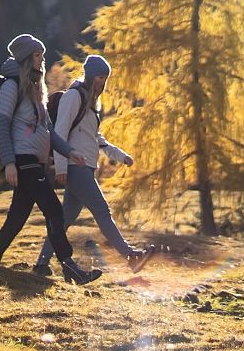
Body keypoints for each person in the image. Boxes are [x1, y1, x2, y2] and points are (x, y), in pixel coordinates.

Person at [0, 34, 101, 285]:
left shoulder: (36, 89)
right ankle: (70, 268)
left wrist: (69, 152)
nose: (42, 59)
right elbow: (1, 127)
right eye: (38, 54)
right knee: (54, 210)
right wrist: (9, 162)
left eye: (42, 54)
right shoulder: (10, 86)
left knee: (17, 218)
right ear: (26, 58)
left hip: (34, 162)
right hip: (22, 160)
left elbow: (48, 130)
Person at [34, 55, 155, 276]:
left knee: (64, 219)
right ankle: (131, 256)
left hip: (86, 166)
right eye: (100, 77)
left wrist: (120, 155)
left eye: (106, 78)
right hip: (73, 166)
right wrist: (61, 167)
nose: (103, 82)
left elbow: (96, 138)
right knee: (102, 210)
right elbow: (59, 131)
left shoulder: (91, 103)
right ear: (90, 76)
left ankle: (41, 264)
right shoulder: (74, 96)